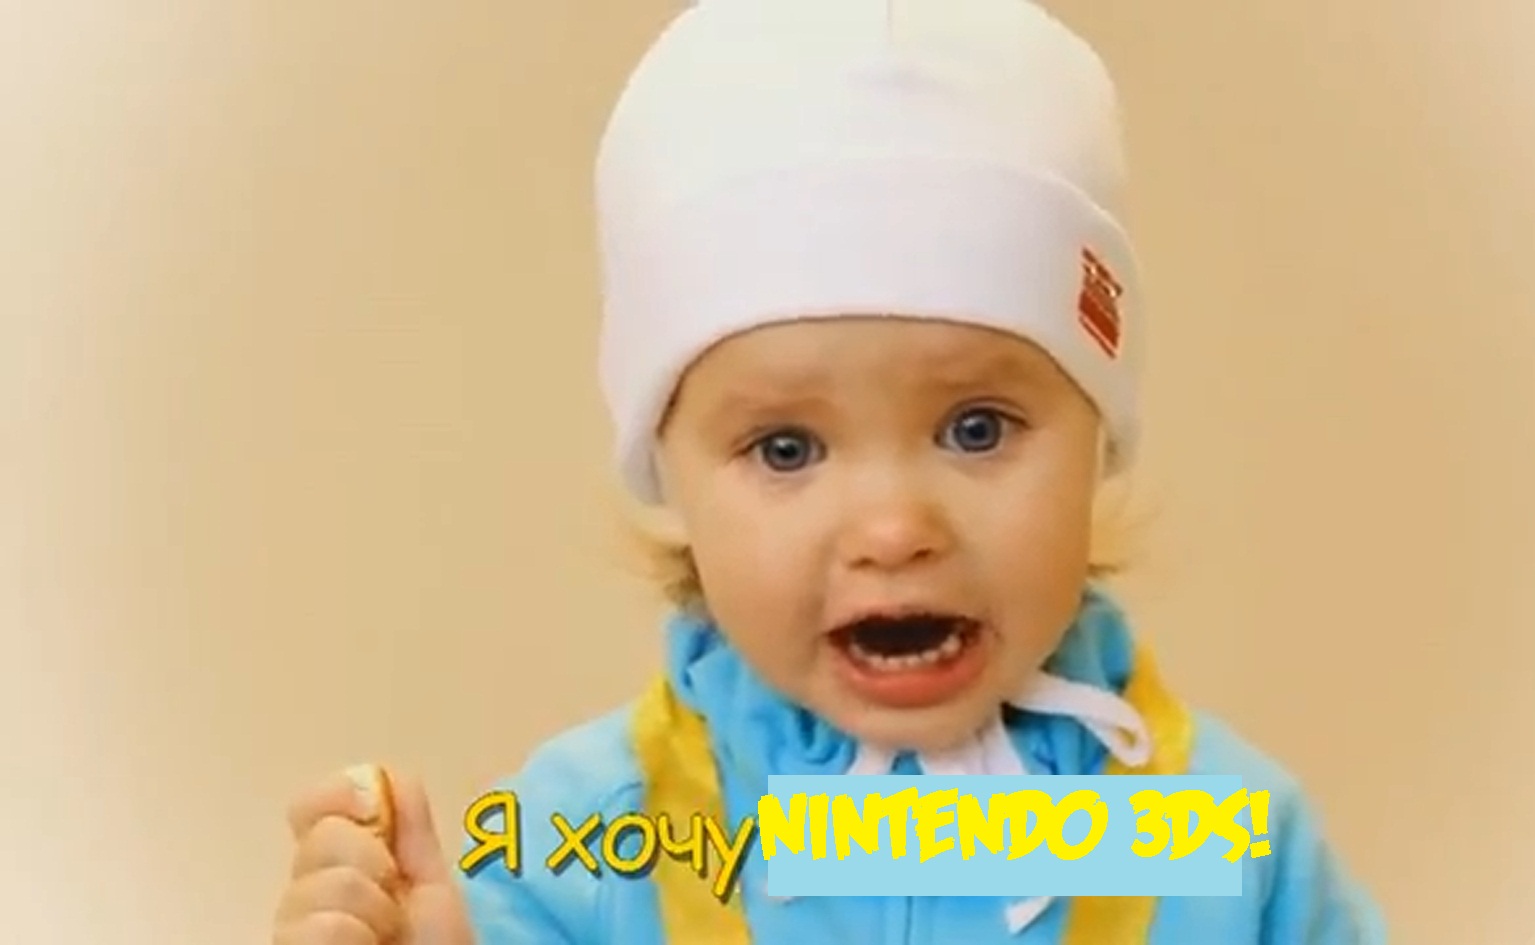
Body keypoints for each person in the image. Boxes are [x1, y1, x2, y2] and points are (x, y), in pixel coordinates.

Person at [269, 0, 1388, 942]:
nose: (894, 527)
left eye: (977, 428)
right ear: (672, 474)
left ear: (1099, 434)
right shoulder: (589, 846)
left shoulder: (1225, 842)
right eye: (787, 449)